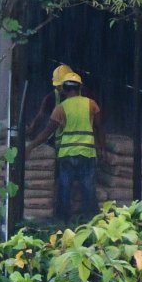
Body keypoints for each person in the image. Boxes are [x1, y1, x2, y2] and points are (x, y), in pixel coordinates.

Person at [31, 71, 105, 223]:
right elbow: (99, 128)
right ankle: (91, 219)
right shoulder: (91, 104)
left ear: (64, 90)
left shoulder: (60, 108)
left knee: (64, 187)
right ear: (80, 87)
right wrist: (102, 148)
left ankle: (62, 219)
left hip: (67, 153)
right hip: (87, 153)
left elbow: (47, 132)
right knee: (88, 188)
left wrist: (30, 146)